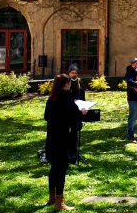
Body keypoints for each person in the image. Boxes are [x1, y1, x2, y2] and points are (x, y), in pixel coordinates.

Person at [44, 74, 88, 211]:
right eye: (69, 83)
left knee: (54, 169)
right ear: (66, 84)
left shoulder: (51, 99)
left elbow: (47, 117)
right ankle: (59, 202)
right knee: (61, 170)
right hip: (63, 137)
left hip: (52, 137)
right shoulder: (67, 97)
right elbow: (73, 115)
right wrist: (82, 113)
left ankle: (52, 198)